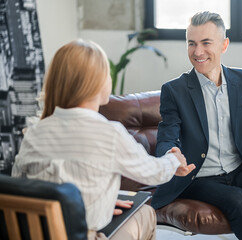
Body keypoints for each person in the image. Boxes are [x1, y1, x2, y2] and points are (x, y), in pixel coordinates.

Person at [11, 39, 195, 240]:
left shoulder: (35, 132)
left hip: (36, 232)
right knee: (145, 214)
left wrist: (103, 201)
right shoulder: (109, 133)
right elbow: (153, 174)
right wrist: (173, 160)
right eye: (106, 73)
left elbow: (24, 186)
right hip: (84, 235)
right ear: (95, 82)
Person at [151, 11, 242, 239]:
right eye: (191, 43)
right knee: (240, 202)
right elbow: (166, 138)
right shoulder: (174, 90)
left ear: (224, 45)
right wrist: (171, 157)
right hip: (198, 177)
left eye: (206, 43)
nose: (197, 52)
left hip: (239, 170)